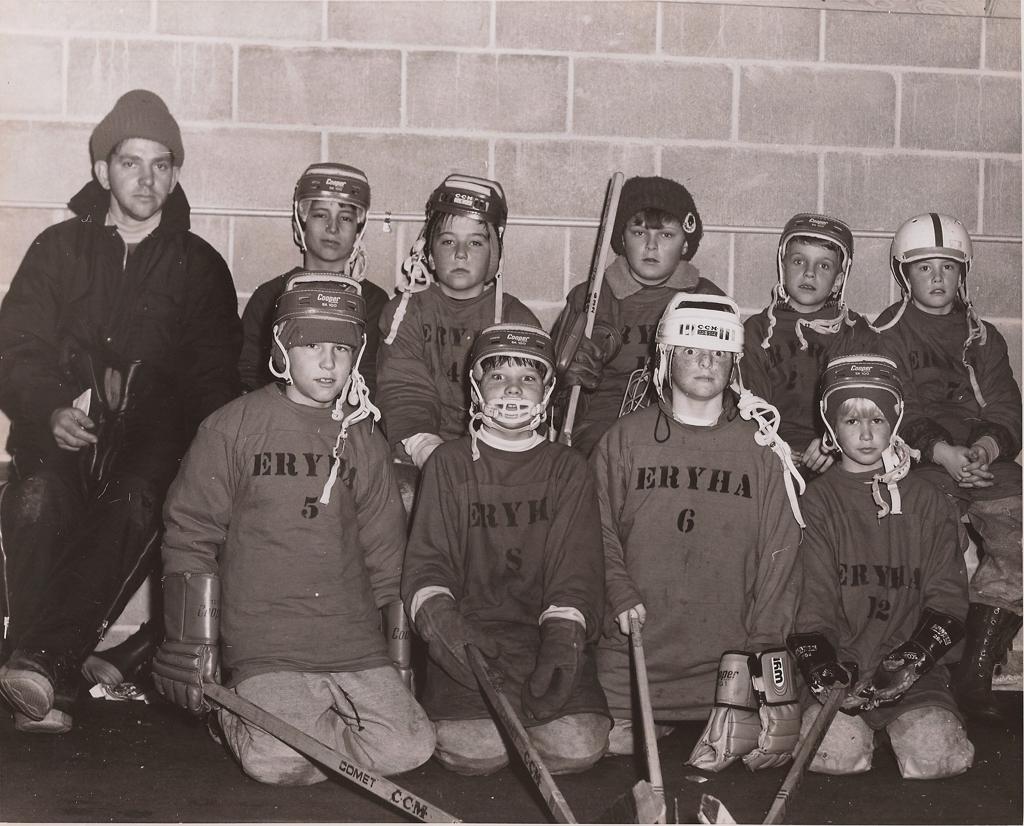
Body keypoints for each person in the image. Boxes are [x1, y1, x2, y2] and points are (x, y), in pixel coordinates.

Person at [0, 89, 241, 734]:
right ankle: (48, 677)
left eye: (161, 164)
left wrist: (201, 459)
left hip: (150, 449)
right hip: (60, 434)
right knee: (37, 501)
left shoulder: (200, 266)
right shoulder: (57, 249)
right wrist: (48, 409)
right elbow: (16, 347)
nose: (146, 179)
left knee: (138, 499)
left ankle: (41, 671)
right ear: (103, 170)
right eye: (131, 162)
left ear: (175, 174)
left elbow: (213, 381)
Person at [151, 274, 435, 785]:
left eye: (341, 349)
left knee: (411, 747)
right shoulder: (231, 427)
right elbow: (191, 533)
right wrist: (195, 644)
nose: (328, 363)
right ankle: (241, 716)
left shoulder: (364, 437)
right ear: (282, 347)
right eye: (311, 346)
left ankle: (304, 729)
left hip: (351, 642)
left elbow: (386, 553)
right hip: (268, 644)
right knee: (278, 763)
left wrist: (398, 658)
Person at [591, 293, 805, 771]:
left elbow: (782, 558)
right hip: (635, 659)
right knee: (603, 742)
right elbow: (595, 529)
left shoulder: (764, 449)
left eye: (718, 353)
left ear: (735, 363)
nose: (706, 363)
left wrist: (763, 652)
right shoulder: (624, 439)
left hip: (728, 665)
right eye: (691, 350)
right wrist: (618, 589)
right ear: (666, 356)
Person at [402, 323, 610, 775]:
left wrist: (564, 637)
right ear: (475, 386)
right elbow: (428, 563)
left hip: (540, 638)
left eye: (528, 378)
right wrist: (444, 627)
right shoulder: (448, 463)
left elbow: (577, 570)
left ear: (547, 390)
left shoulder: (569, 468)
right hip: (470, 640)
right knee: (476, 753)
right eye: (498, 376)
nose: (513, 389)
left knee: (579, 748)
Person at [788, 354, 973, 779]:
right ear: (831, 426)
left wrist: (913, 658)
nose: (867, 433)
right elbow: (813, 601)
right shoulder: (816, 502)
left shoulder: (929, 501)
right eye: (851, 420)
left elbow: (948, 597)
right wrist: (824, 666)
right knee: (837, 758)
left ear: (896, 421)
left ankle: (905, 725)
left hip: (910, 673)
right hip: (844, 669)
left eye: (878, 418)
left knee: (935, 761)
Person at [873, 213, 1022, 721]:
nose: (937, 278)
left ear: (964, 272)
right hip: (924, 461)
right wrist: (943, 453)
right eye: (924, 267)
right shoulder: (886, 333)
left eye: (948, 267)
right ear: (904, 273)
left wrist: (984, 449)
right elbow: (896, 407)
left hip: (985, 462)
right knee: (929, 544)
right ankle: (931, 661)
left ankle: (975, 673)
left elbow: (1005, 405)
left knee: (1019, 534)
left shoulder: (984, 337)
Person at [377, 175, 539, 474]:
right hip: (418, 452)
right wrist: (426, 449)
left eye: (475, 242)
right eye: (448, 241)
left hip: (494, 452)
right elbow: (403, 388)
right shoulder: (405, 312)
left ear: (494, 254)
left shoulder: (516, 320)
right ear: (430, 252)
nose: (460, 253)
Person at [551, 175, 724, 456]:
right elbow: (549, 394)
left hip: (680, 422)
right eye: (639, 233)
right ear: (622, 237)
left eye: (666, 235)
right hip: (602, 427)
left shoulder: (707, 300)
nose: (651, 246)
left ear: (685, 244)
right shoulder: (591, 296)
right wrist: (563, 381)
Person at [237, 163, 388, 395]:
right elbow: (248, 375)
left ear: (359, 228)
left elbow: (370, 380)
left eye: (345, 218)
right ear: (302, 221)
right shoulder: (270, 295)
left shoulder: (373, 300)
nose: (332, 228)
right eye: (320, 215)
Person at [742, 213, 874, 478]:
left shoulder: (855, 331)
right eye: (799, 261)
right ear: (783, 266)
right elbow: (749, 402)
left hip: (839, 453)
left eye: (824, 265)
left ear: (838, 280)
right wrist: (771, 443)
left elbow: (866, 402)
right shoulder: (757, 330)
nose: (809, 272)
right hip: (771, 450)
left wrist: (834, 441)